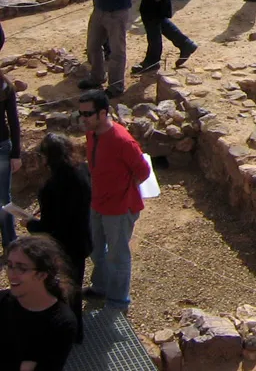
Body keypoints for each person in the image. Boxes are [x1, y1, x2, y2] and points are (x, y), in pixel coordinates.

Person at [79, 90, 149, 313]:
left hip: (119, 208)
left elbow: (143, 171)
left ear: (102, 113)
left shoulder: (122, 140)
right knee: (97, 249)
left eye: (87, 114)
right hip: (98, 202)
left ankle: (118, 302)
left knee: (117, 255)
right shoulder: (92, 134)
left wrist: (123, 190)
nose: (83, 119)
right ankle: (100, 287)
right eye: (80, 114)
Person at [25, 134, 91, 342]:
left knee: (58, 291)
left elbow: (48, 226)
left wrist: (29, 223)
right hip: (80, 241)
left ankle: (62, 334)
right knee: (75, 290)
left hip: (60, 247)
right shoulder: (82, 171)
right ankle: (77, 332)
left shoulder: (51, 186)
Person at [0, 234, 78, 369]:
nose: (11, 274)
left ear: (42, 275)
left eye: (21, 267)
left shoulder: (61, 322)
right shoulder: (2, 301)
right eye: (10, 265)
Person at [0, 64, 20, 252]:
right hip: (3, 146)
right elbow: (13, 122)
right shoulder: (5, 85)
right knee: (4, 198)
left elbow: (14, 121)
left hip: (2, 147)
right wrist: (16, 154)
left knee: (4, 198)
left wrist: (16, 154)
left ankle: (10, 241)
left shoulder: (5, 86)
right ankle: (10, 241)